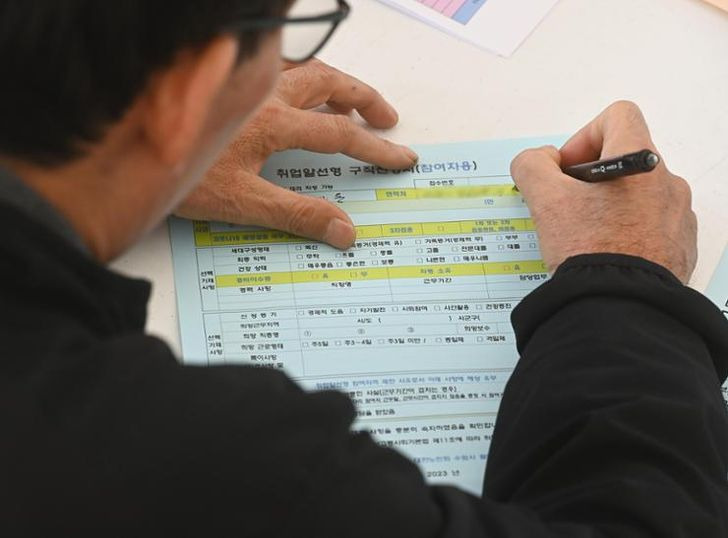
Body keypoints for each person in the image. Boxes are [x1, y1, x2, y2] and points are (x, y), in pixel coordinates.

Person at [0, 1, 726, 536]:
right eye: (281, 29)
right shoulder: (208, 461)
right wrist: (625, 282)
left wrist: (137, 158)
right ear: (180, 101)